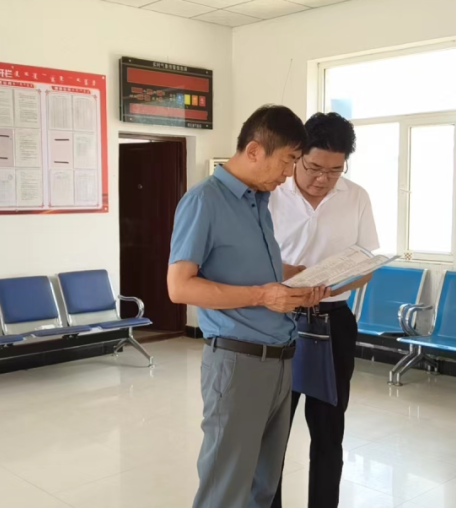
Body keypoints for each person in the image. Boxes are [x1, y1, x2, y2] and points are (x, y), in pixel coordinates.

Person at [168, 104, 330, 508]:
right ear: (255, 150)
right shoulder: (204, 201)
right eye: (288, 160)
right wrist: (263, 295)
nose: (289, 173)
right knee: (225, 489)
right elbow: (179, 287)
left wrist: (297, 278)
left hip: (280, 360)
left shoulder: (258, 201)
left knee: (263, 488)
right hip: (238, 363)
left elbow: (248, 265)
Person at [268, 112, 378, 508]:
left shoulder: (356, 197)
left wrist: (333, 286)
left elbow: (365, 266)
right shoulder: (271, 193)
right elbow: (252, 261)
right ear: (297, 155)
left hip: (333, 323)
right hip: (277, 320)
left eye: (334, 171)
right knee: (272, 432)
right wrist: (292, 279)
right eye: (314, 167)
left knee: (329, 431)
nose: (322, 179)